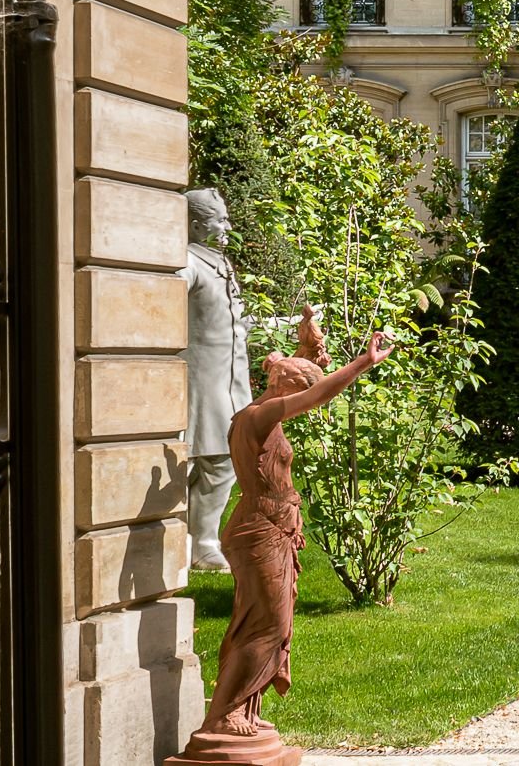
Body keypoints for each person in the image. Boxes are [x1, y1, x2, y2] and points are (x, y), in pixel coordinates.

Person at [168, 307, 391, 766]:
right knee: (266, 626)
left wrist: (308, 338)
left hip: (269, 527)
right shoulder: (260, 416)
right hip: (260, 530)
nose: (304, 389)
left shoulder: (263, 408)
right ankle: (222, 720)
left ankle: (240, 712)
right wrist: (362, 363)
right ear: (285, 387)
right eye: (299, 383)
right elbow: (314, 396)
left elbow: (300, 372)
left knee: (259, 623)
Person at [182, 187, 251, 569]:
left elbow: (232, 323)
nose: (227, 226)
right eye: (219, 220)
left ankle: (196, 539)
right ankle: (201, 543)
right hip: (202, 382)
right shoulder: (189, 263)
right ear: (195, 225)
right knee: (208, 460)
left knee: (222, 460)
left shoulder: (218, 263)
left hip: (230, 380)